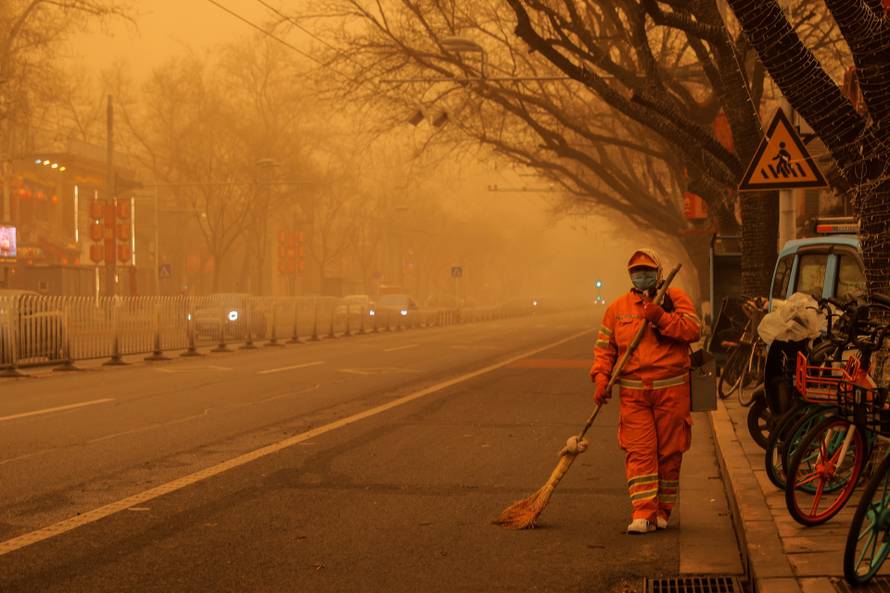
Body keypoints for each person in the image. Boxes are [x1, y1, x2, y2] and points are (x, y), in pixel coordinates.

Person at [589, 249, 701, 534]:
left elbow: (692, 330)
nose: (642, 275)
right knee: (640, 452)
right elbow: (605, 349)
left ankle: (662, 511)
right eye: (636, 271)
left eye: (647, 270)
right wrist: (602, 378)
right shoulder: (617, 308)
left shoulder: (675, 299)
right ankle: (642, 511)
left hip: (672, 391)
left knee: (669, 453)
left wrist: (662, 317)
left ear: (659, 272)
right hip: (634, 395)